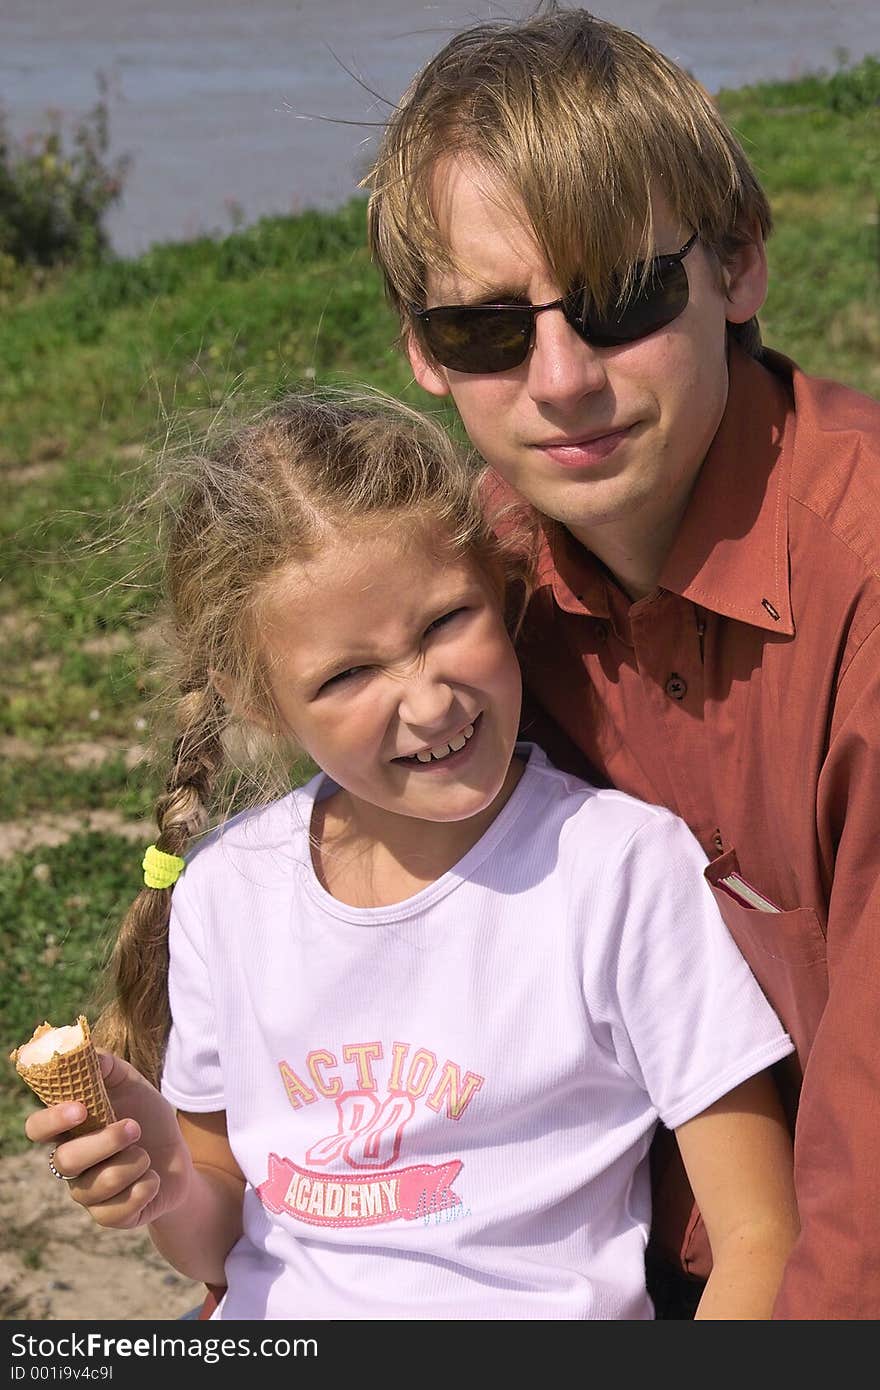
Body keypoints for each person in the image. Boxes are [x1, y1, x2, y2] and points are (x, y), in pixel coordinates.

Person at [24, 391, 797, 1320]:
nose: (429, 704)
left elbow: (758, 1235)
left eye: (444, 623)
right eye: (347, 676)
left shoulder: (619, 872)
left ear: (503, 589)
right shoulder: (228, 892)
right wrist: (166, 1178)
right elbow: (220, 1236)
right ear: (260, 702)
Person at [364, 3, 880, 1320]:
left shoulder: (862, 580)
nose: (559, 378)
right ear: (423, 350)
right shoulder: (464, 612)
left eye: (617, 302)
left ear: (741, 267)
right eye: (486, 329)